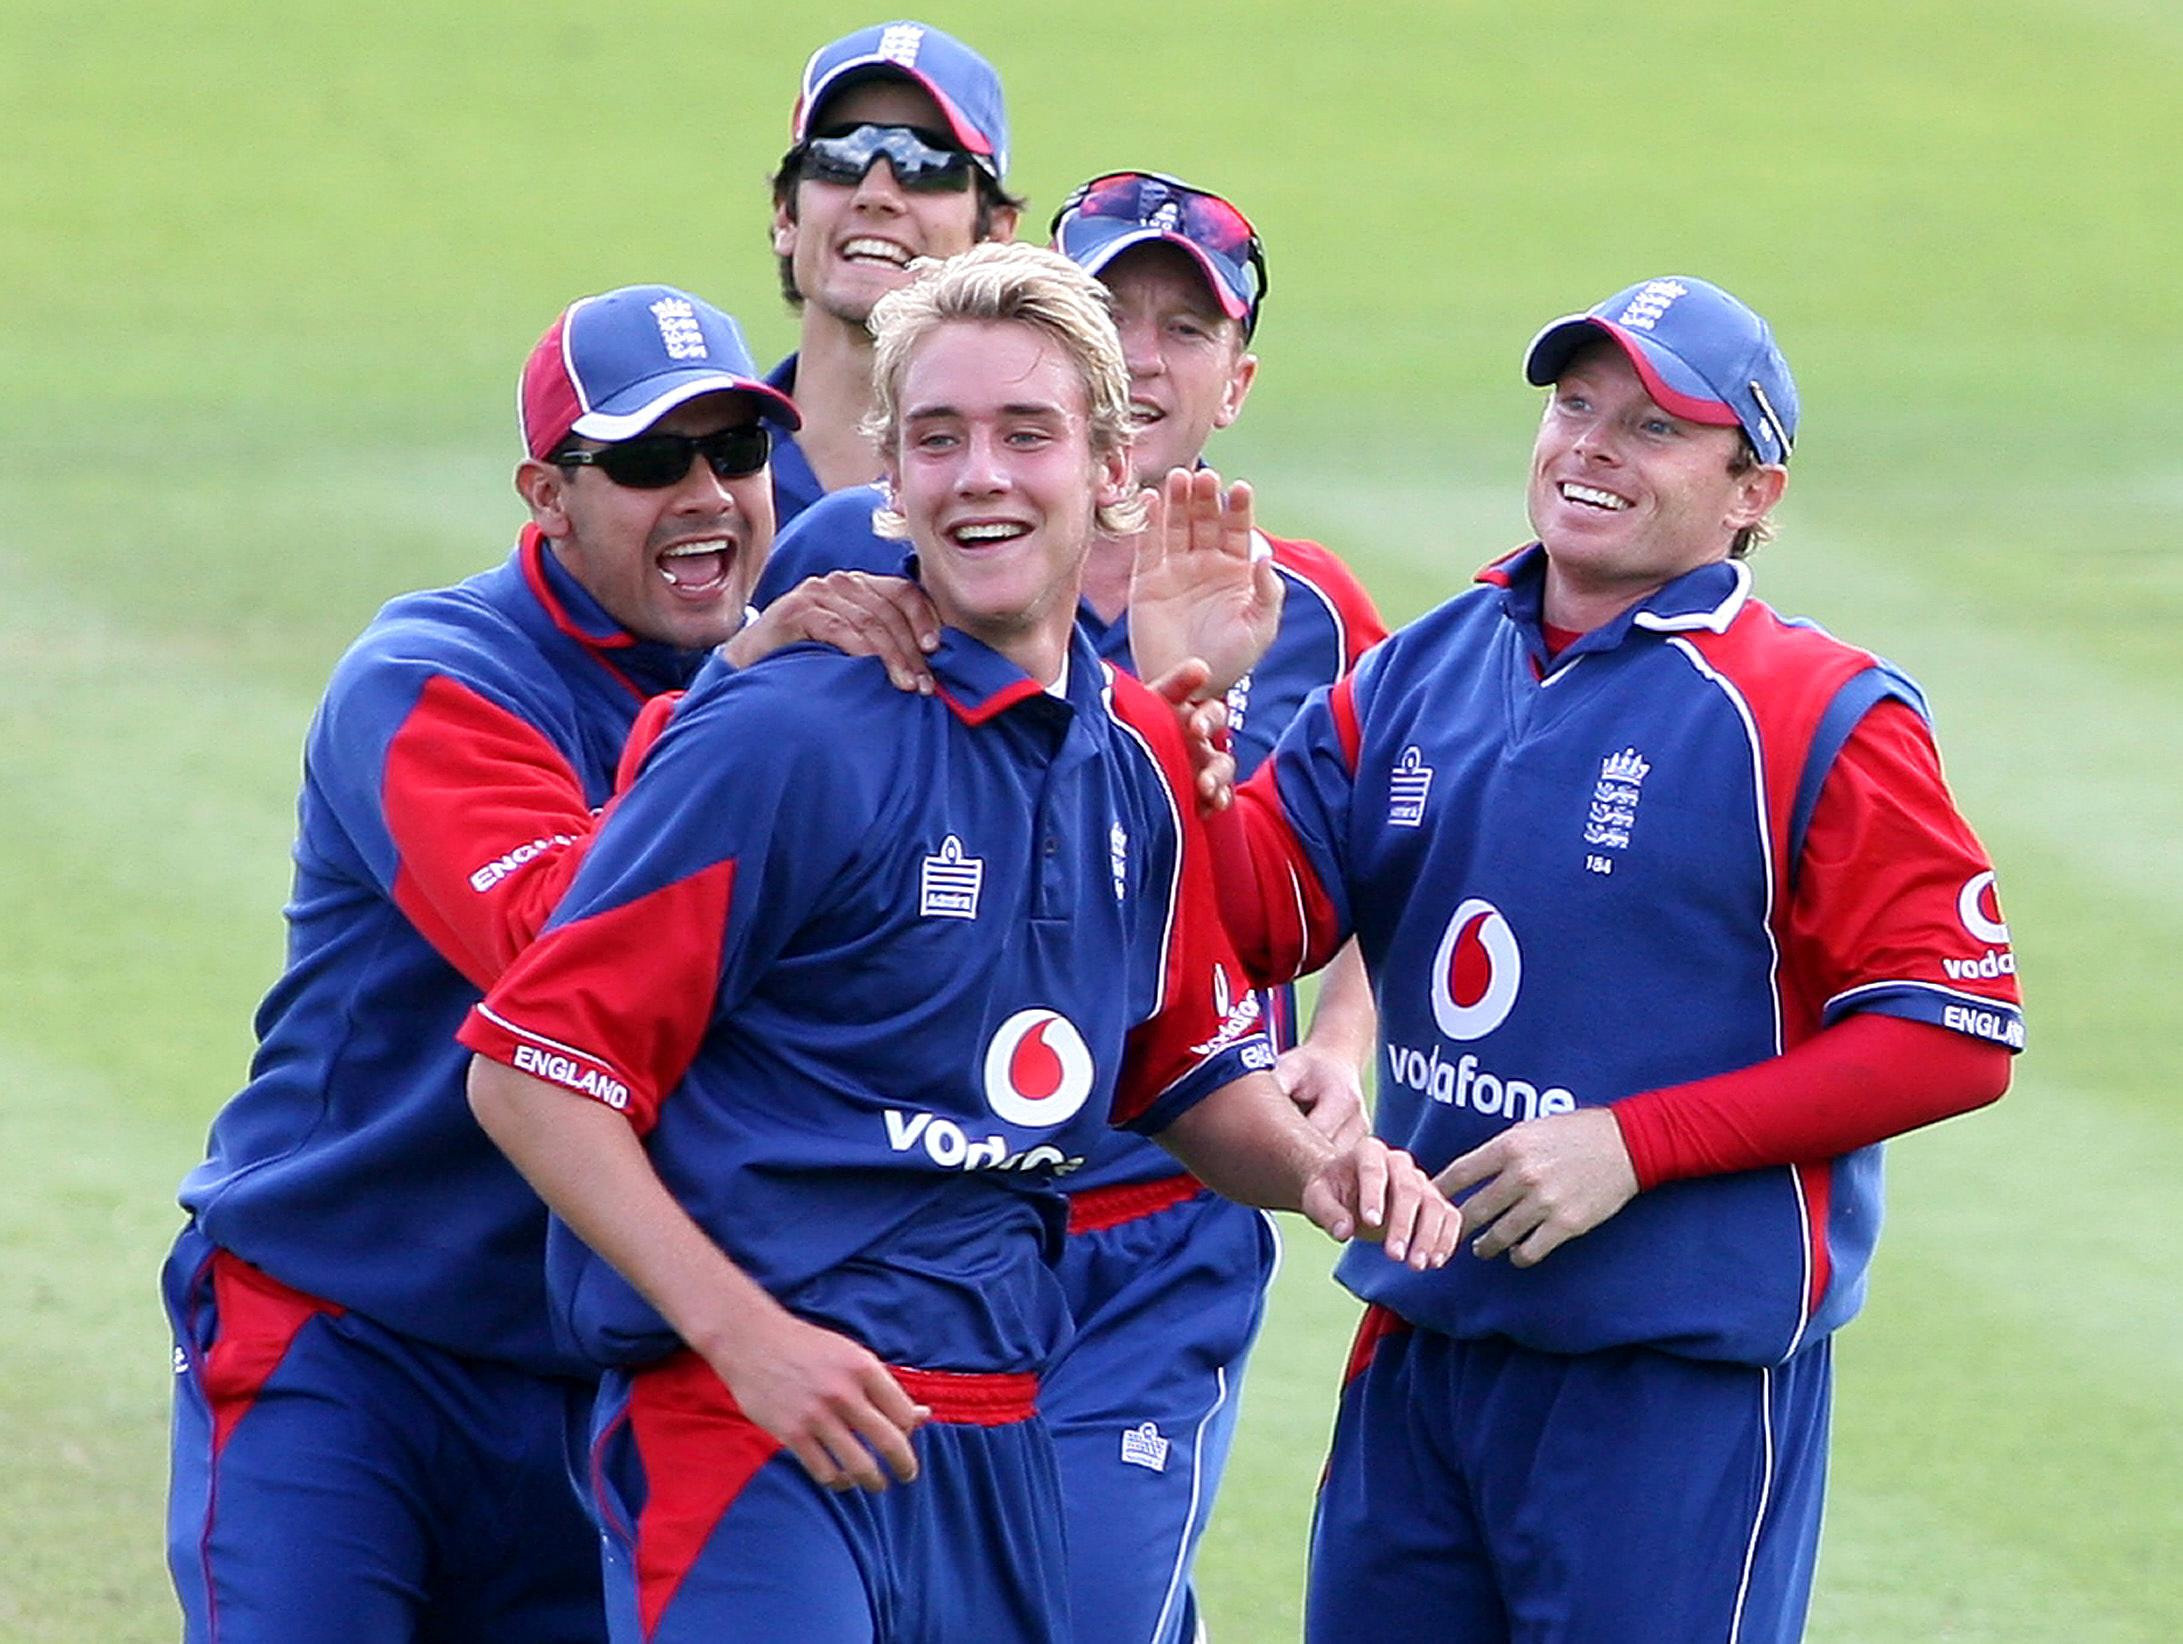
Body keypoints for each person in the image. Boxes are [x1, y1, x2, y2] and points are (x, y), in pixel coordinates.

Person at [456, 243, 1461, 1644]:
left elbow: (1175, 1072)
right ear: (888, 483)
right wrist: (748, 1343)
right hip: (754, 1438)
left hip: (993, 1432)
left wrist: (1322, 1168)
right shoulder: (785, 736)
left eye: (1023, 433)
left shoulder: (1129, 770)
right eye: (936, 438)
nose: (978, 474)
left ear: (1111, 469)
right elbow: (532, 1074)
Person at [1173, 275, 2024, 1642]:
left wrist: (1631, 1145)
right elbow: (1257, 922)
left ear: (1754, 491)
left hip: (1671, 1384)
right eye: (1572, 406)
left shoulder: (1814, 712)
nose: (1587, 447)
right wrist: (1187, 720)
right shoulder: (1421, 669)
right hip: (1421, 1350)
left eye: (1650, 426)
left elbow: (1949, 1031)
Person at [161, 283, 933, 1642]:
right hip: (342, 1345)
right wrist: (741, 690)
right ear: (546, 493)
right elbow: (563, 950)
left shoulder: (807, 699)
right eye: (644, 463)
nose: (705, 496)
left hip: (594, 1364)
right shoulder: (426, 679)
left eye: (734, 453)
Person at [758, 173, 1390, 1642]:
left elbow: (1369, 872)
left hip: (1158, 1220)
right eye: (1115, 310)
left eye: (1188, 327)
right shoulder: (861, 557)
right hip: (915, 1218)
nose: (1148, 353)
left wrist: (1341, 1050)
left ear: (1234, 383)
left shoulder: (1299, 607)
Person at [763, 20, 1022, 528]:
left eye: (926, 163)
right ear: (786, 216)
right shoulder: (698, 474)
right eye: (840, 155)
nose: (876, 195)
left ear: (993, 236)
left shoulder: (1029, 499)